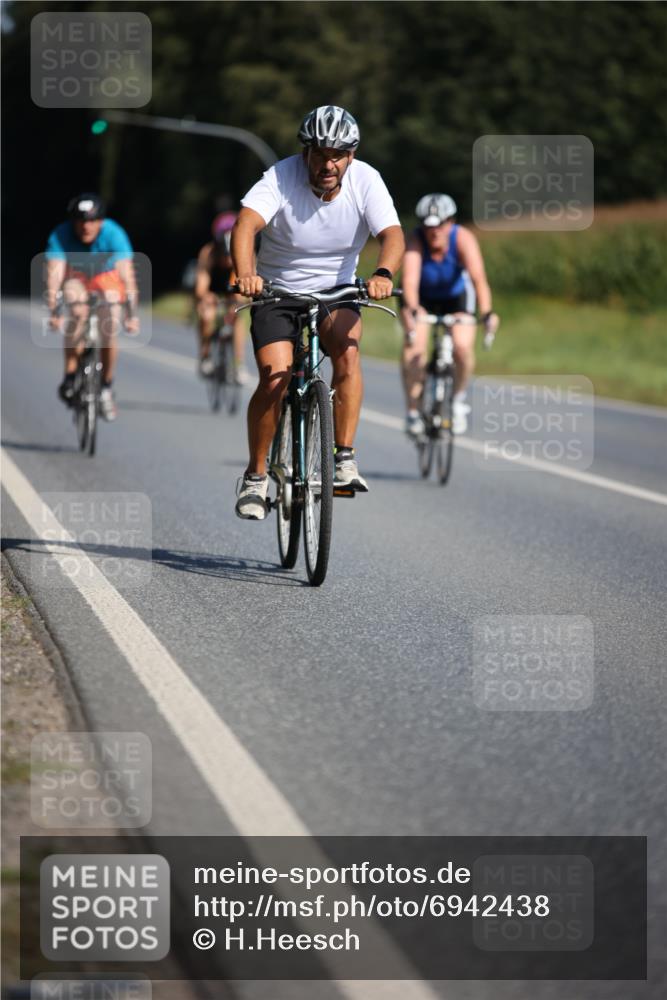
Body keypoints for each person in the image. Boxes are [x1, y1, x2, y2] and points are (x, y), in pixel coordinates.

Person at [231, 105, 405, 520]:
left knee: (347, 353)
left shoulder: (367, 181)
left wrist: (383, 273)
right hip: (277, 289)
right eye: (321, 153)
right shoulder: (280, 176)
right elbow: (244, 226)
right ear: (306, 151)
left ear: (352, 155)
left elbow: (393, 234)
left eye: (338, 154)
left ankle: (343, 457)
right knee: (274, 378)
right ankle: (255, 478)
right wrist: (246, 274)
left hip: (337, 289)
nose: (329, 163)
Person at [399, 193, 499, 436]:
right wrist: (412, 312)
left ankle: (457, 400)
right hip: (422, 299)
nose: (435, 232)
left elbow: (478, 280)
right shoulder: (415, 240)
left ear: (451, 222)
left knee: (462, 348)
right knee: (414, 350)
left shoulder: (463, 238)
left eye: (441, 225)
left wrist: (486, 313)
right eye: (428, 226)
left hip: (457, 298)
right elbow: (410, 282)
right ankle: (413, 413)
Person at [45, 193, 139, 421]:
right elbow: (54, 276)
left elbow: (127, 277)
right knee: (76, 311)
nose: (86, 226)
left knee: (110, 323)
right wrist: (55, 310)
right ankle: (70, 375)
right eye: (80, 221)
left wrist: (131, 314)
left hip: (106, 277)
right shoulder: (61, 234)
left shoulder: (114, 234)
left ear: (101, 221)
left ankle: (106, 385)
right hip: (76, 276)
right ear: (73, 221)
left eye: (92, 221)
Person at [193, 211, 248, 383]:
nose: (227, 259)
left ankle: (238, 365)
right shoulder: (208, 253)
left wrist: (238, 300)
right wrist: (206, 296)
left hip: (233, 290)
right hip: (213, 291)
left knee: (237, 318)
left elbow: (245, 286)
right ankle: (205, 355)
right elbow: (201, 286)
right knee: (206, 314)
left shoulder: (243, 253)